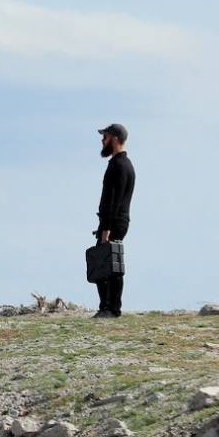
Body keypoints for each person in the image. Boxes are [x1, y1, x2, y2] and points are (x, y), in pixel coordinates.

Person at [93, 123, 135, 318]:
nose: (102, 140)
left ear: (115, 139)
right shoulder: (121, 163)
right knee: (105, 263)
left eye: (106, 137)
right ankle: (108, 307)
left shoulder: (119, 165)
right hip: (114, 221)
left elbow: (114, 200)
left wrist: (106, 228)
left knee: (108, 265)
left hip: (114, 223)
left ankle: (111, 309)